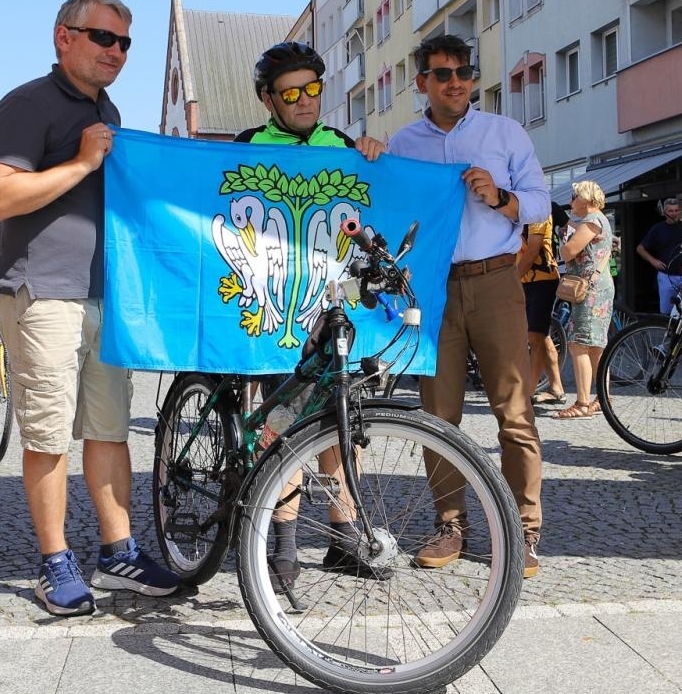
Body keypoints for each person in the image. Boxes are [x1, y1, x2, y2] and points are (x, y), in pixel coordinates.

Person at [0, 0, 180, 617]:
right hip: (42, 289)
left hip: (104, 293)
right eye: (103, 38)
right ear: (63, 36)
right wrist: (81, 161)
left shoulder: (109, 107)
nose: (116, 52)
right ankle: (54, 562)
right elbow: (0, 198)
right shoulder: (26, 104)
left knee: (109, 429)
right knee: (48, 436)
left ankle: (118, 550)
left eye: (125, 42)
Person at [387, 33, 549, 579]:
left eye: (463, 72)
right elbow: (385, 203)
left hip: (497, 280)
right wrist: (368, 157)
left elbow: (541, 202)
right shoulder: (403, 143)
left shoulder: (504, 132)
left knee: (515, 412)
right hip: (432, 290)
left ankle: (524, 530)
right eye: (442, 73)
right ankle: (450, 523)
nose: (455, 82)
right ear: (422, 83)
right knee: (439, 417)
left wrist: (500, 197)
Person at [234, 40, 386, 596]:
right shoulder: (247, 145)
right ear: (268, 100)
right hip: (274, 304)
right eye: (291, 92)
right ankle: (285, 546)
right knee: (288, 425)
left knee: (344, 418)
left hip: (333, 305)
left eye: (313, 89)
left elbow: (377, 199)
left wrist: (372, 153)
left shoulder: (340, 145)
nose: (305, 101)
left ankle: (345, 534)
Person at [552, 179, 615, 419]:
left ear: (587, 199)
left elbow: (568, 251)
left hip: (590, 289)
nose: (571, 202)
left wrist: (563, 236)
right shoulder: (602, 220)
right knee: (596, 346)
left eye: (574, 197)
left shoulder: (591, 222)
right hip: (598, 286)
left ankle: (582, 402)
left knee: (579, 344)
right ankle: (603, 399)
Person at [518, 215, 565, 408]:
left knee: (535, 337)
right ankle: (556, 388)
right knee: (542, 335)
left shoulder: (538, 211)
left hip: (543, 279)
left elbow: (533, 250)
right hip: (526, 279)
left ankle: (527, 395)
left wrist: (511, 280)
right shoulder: (517, 212)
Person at [636, 195, 682, 314]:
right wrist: (653, 261)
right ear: (665, 212)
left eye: (676, 210)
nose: (674, 213)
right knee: (666, 311)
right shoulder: (658, 228)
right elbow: (640, 248)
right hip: (666, 275)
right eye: (670, 211)